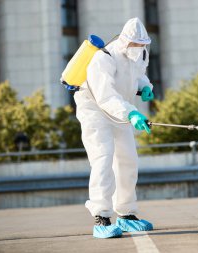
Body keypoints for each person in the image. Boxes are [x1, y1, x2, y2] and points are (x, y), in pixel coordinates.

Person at [74, 17, 154, 239]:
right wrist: (131, 113)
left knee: (128, 159)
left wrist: (145, 87)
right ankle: (101, 217)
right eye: (135, 44)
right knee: (103, 158)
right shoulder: (104, 58)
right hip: (95, 110)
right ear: (124, 41)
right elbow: (105, 96)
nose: (139, 49)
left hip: (121, 110)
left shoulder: (140, 55)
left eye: (142, 44)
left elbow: (137, 76)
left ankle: (126, 214)